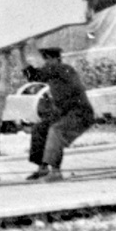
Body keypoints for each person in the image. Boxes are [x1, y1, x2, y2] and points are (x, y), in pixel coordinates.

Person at [25, 47, 95, 182]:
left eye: (46, 59)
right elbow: (32, 75)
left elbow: (32, 75)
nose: (44, 63)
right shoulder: (55, 72)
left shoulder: (62, 68)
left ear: (55, 59)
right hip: (65, 112)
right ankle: (43, 169)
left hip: (80, 113)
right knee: (40, 129)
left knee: (56, 130)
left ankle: (56, 172)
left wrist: (22, 51)